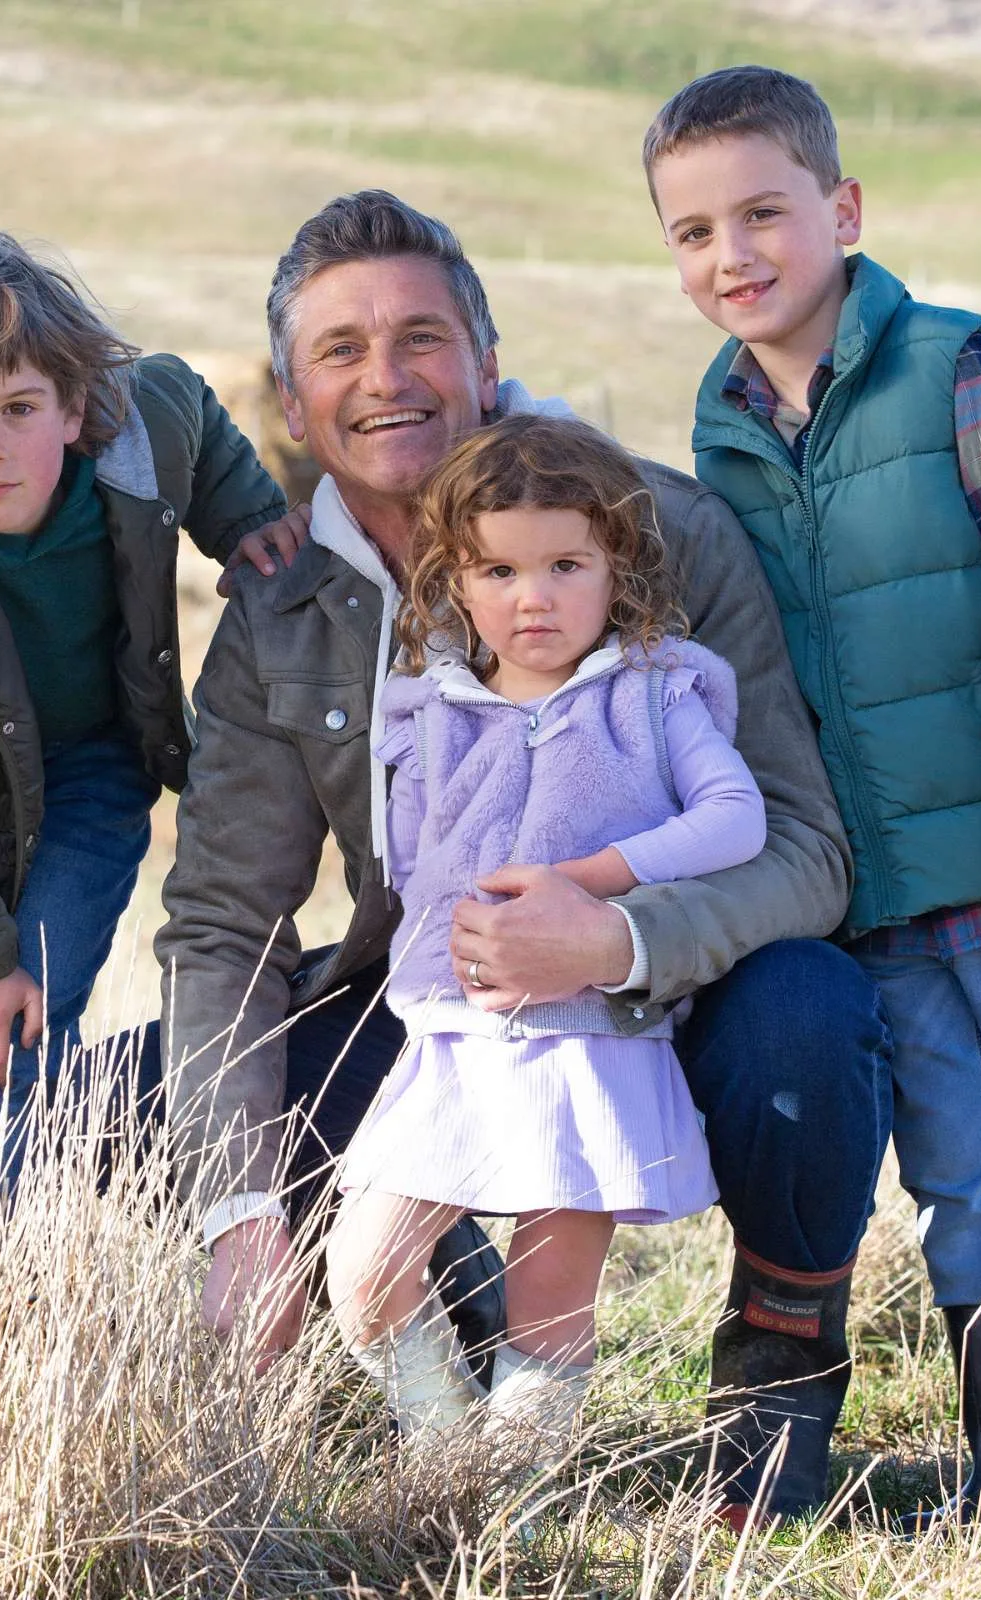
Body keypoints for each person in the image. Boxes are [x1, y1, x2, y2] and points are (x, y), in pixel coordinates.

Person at [152, 190, 895, 1528]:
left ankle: (777, 1364)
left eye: (423, 337)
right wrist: (236, 1207)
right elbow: (225, 923)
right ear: (294, 395)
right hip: (444, 996)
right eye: (341, 350)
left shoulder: (653, 529)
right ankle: (462, 1396)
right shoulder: (283, 603)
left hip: (671, 983)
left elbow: (802, 849)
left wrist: (615, 939)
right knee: (198, 1102)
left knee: (814, 1019)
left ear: (486, 359)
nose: (387, 378)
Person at [646, 67, 981, 1523]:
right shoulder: (723, 429)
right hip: (877, 889)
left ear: (842, 211)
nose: (730, 255)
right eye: (691, 234)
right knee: (954, 1166)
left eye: (760, 214)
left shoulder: (957, 363)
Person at [0, 232, 298, 1241]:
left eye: (17, 410)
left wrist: (243, 511)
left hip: (87, 778)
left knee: (9, 1061)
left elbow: (195, 410)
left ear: (73, 408)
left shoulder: (139, 420)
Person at [327, 413, 767, 1459]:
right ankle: (443, 1449)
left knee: (551, 1295)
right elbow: (413, 862)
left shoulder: (656, 695)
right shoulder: (434, 713)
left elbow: (735, 817)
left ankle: (515, 1500)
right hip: (451, 1041)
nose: (536, 597)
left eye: (567, 564)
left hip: (591, 1039)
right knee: (367, 1270)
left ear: (617, 567)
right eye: (500, 570)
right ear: (456, 579)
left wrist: (589, 881)